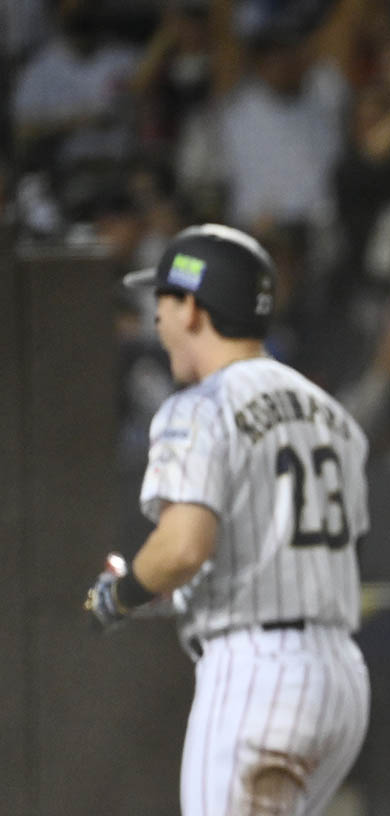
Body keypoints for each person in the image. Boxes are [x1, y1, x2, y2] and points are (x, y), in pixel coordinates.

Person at [84, 224, 371, 815]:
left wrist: (121, 594)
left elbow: (184, 547)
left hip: (258, 677)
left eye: (162, 304)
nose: (157, 324)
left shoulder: (200, 406)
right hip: (340, 678)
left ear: (191, 308)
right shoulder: (331, 413)